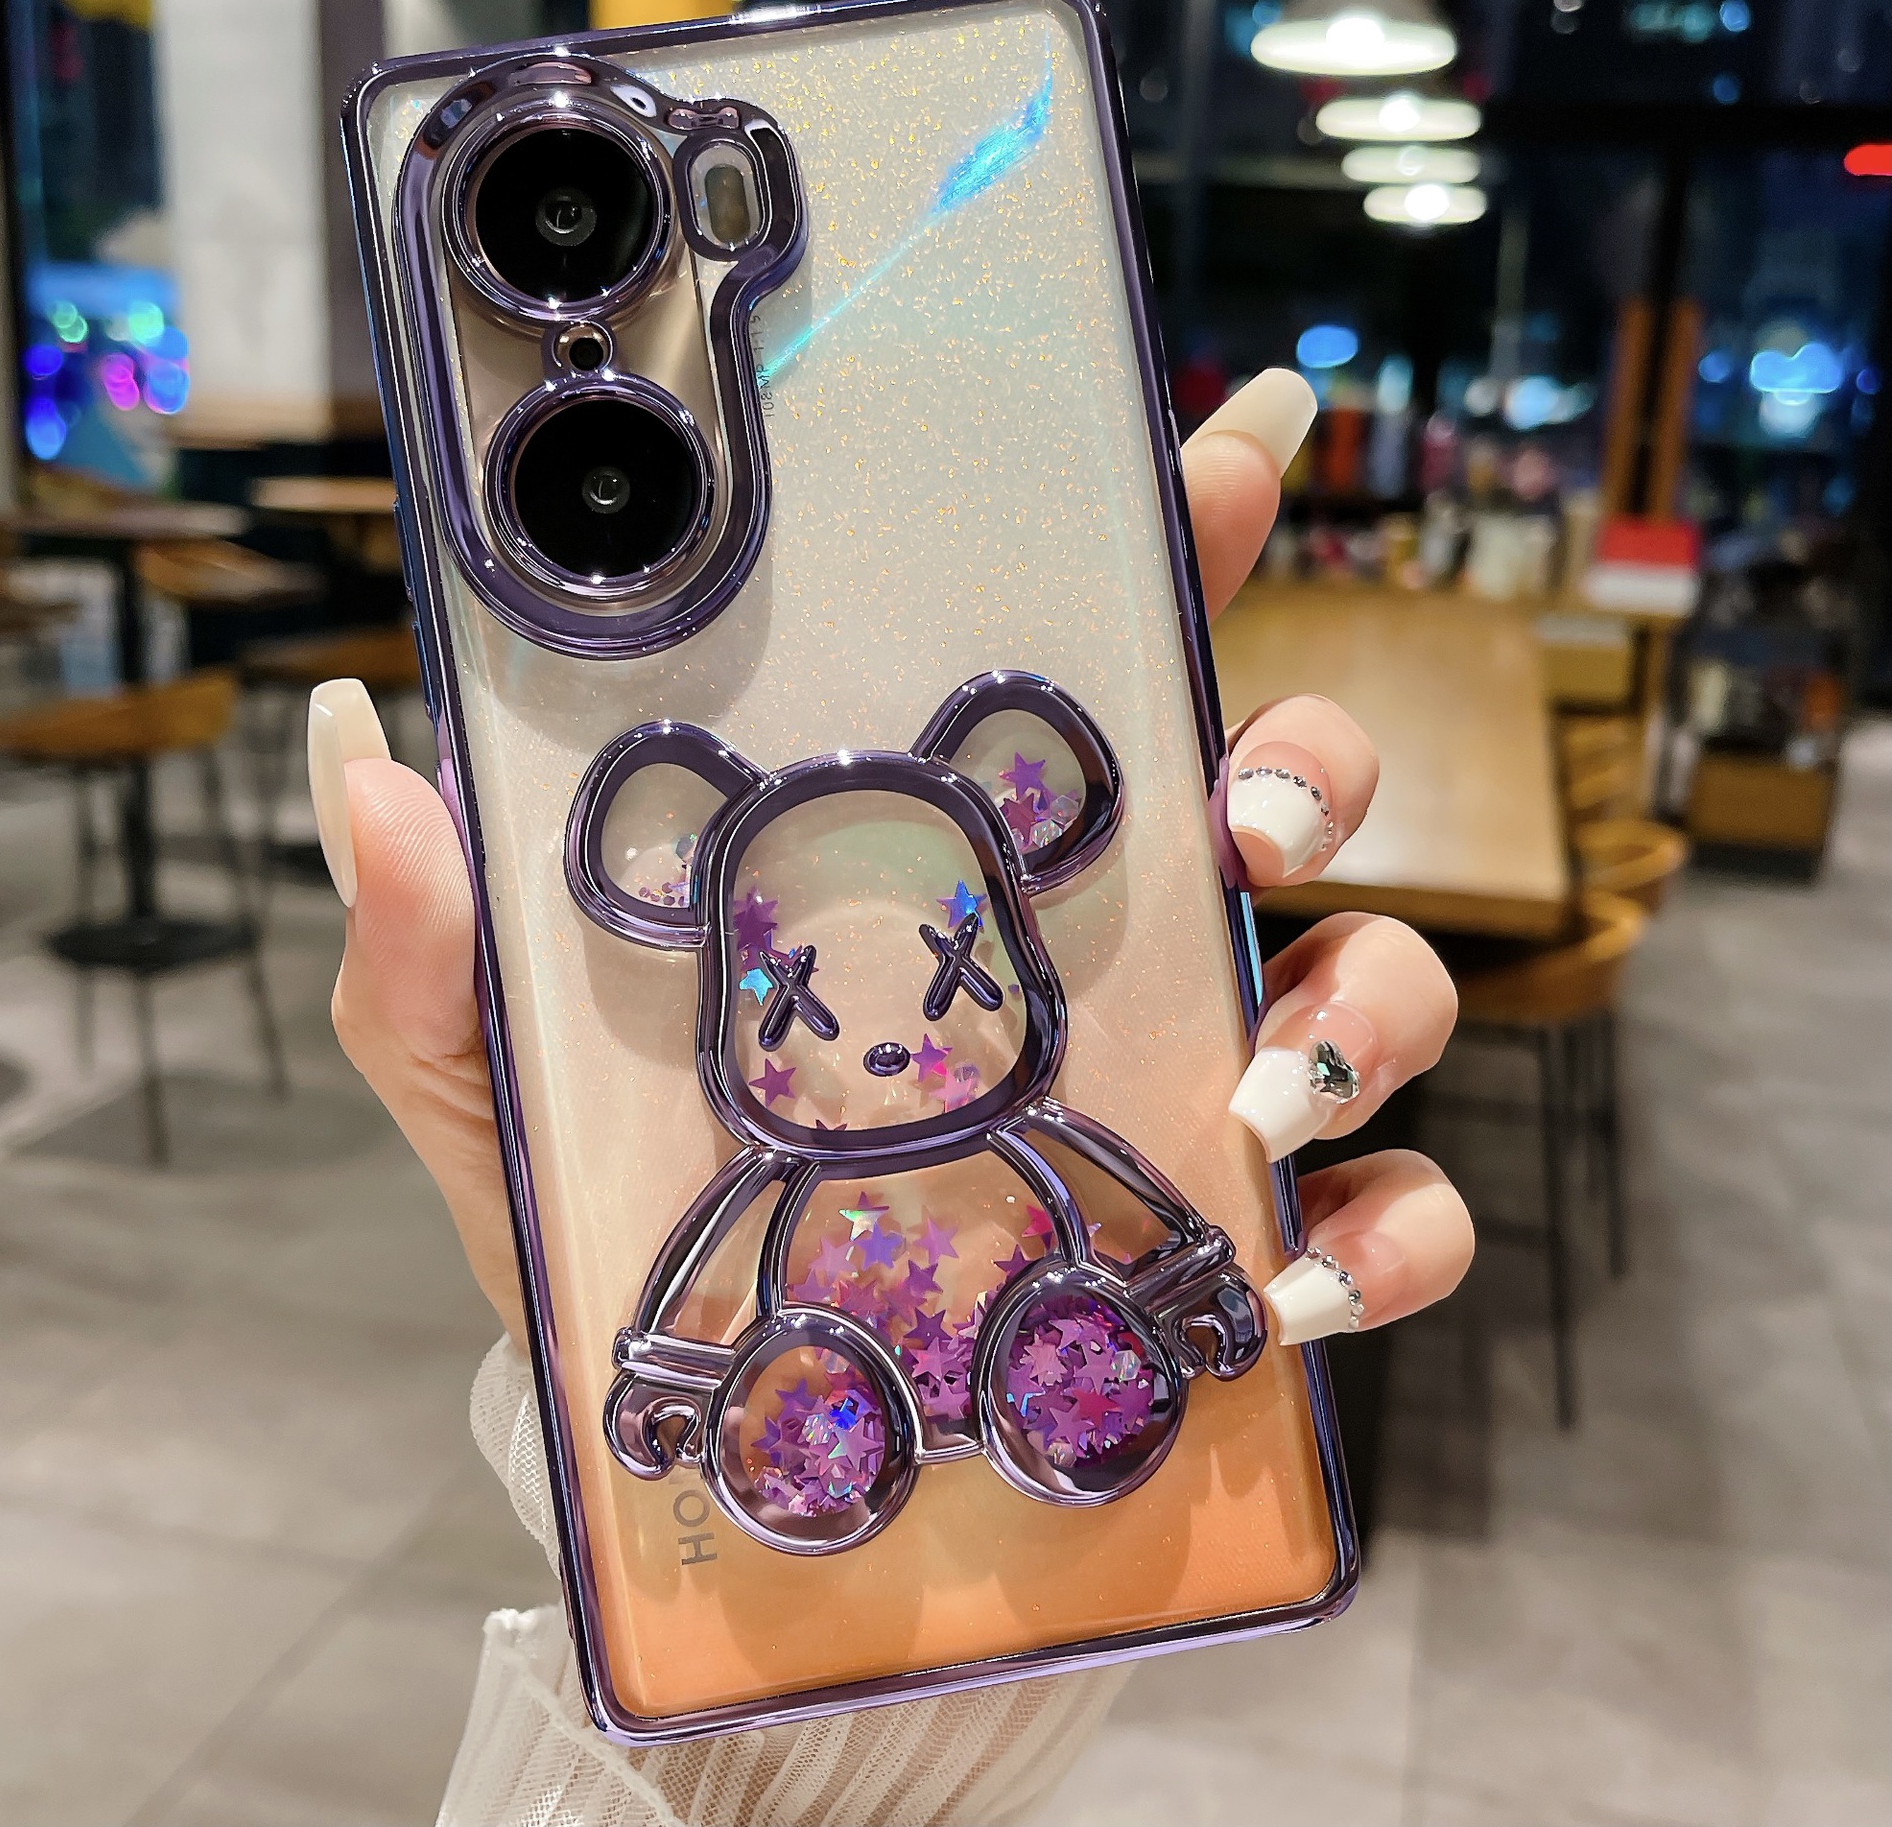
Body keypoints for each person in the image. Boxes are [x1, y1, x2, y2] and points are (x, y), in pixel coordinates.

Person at [309, 369, 1475, 1827]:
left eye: (950, 981)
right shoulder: (769, 1168)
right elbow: (690, 1280)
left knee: (1071, 1326)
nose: (876, 1048)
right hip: (821, 1407)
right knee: (809, 1394)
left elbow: (1129, 1195)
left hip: (1039, 1377)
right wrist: (670, 1390)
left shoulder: (1033, 1132)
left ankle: (1056, 1367)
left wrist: (1193, 1276)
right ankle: (841, 1415)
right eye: (790, 1003)